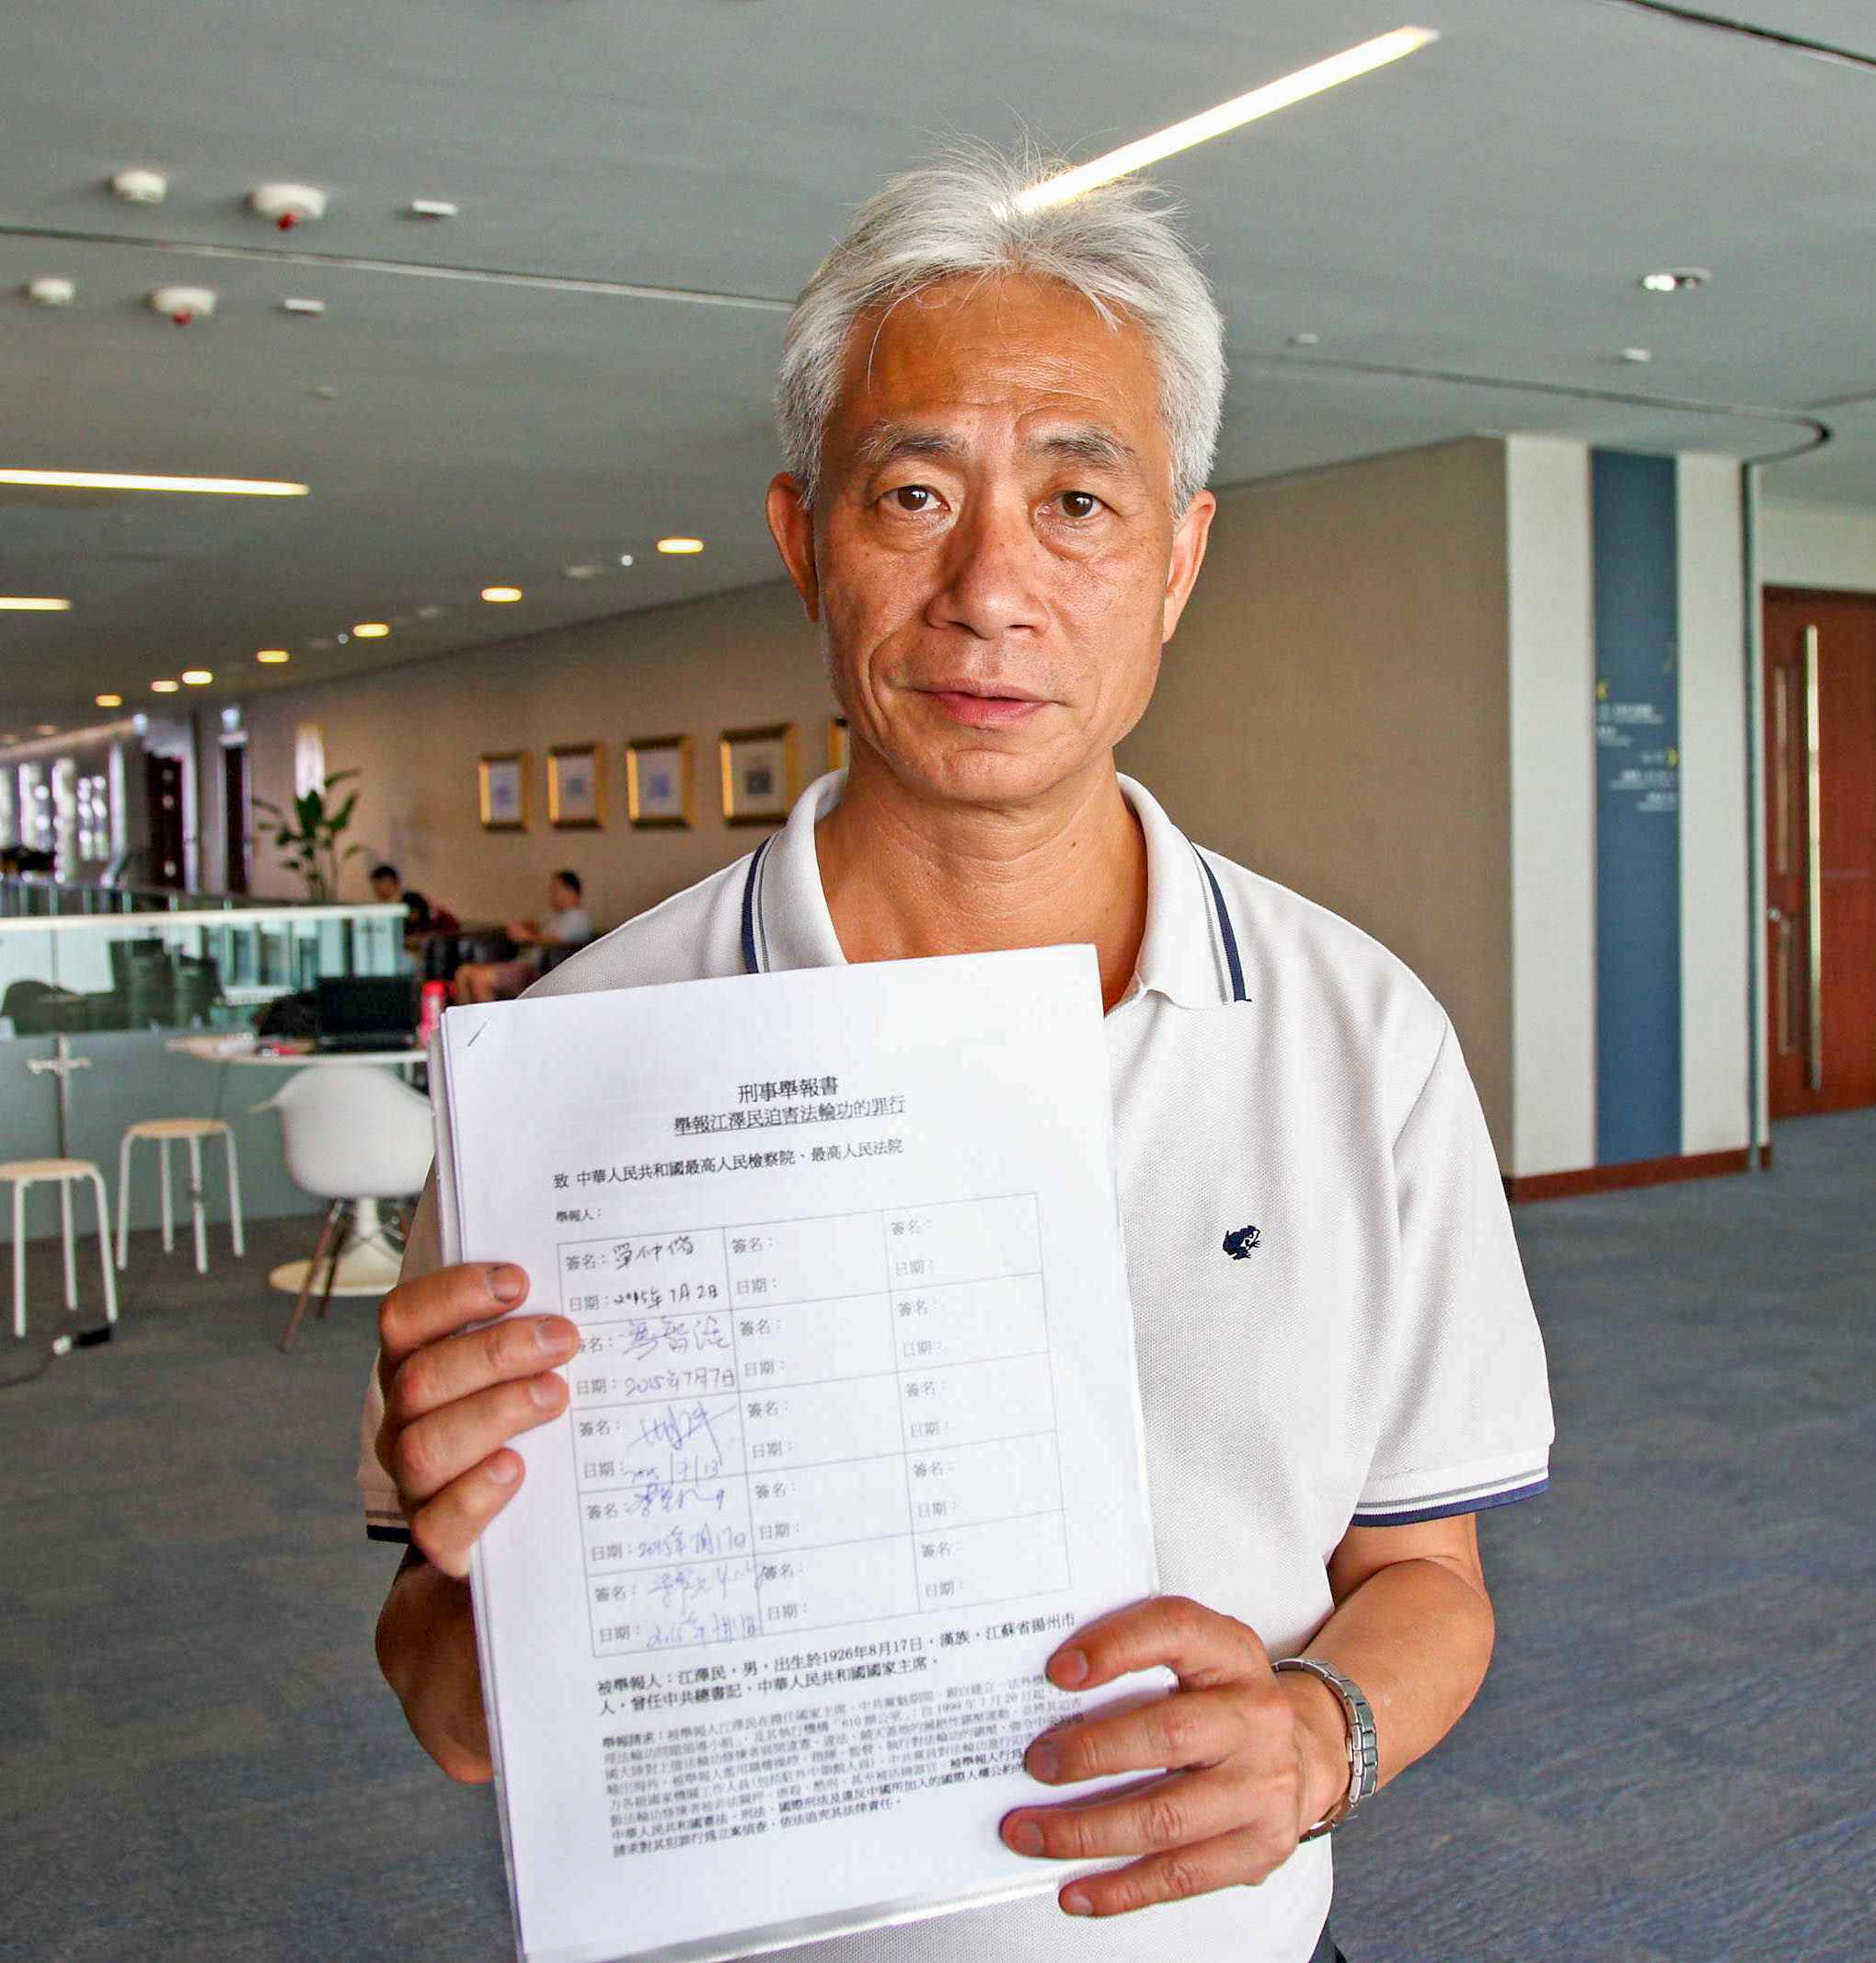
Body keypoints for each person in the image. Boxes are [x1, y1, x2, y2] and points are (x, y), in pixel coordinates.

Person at [363, 150, 1552, 1963]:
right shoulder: (574, 1062)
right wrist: (471, 1559)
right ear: (801, 540)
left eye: (1076, 500)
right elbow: (453, 1715)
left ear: (1176, 557)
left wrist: (1323, 1732)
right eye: (912, 494)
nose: (990, 588)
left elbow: (1423, 1580)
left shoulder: (1357, 1031)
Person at [453, 868, 590, 1003]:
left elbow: (557, 943)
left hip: (534, 970)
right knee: (463, 972)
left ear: (570, 890)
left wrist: (528, 937)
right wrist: (521, 928)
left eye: (555, 890)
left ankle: (487, 1019)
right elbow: (533, 924)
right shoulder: (554, 916)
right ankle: (463, 1017)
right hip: (521, 964)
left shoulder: (578, 917)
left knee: (479, 979)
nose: (551, 895)